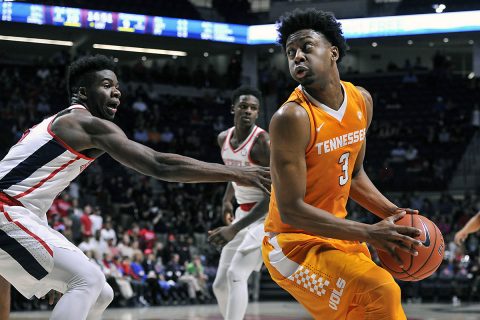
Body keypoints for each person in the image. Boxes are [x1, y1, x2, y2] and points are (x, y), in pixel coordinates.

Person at [0, 55, 269, 320]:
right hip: (7, 211)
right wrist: (239, 173)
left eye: (117, 87)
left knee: (102, 293)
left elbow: (31, 187)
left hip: (21, 213)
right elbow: (159, 164)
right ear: (82, 92)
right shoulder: (83, 123)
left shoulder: (64, 123)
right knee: (87, 280)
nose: (116, 92)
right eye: (106, 85)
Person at [261, 9, 422, 320]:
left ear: (333, 52)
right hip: (292, 246)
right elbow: (292, 210)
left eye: (306, 47)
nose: (297, 57)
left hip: (337, 236)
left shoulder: (361, 101)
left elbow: (355, 175)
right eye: (290, 52)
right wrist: (369, 232)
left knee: (367, 309)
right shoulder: (291, 117)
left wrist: (394, 214)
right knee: (381, 291)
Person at [209, 86, 270, 320]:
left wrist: (233, 229)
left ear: (257, 114)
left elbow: (273, 195)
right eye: (243, 106)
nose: (248, 111)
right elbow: (232, 173)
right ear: (233, 108)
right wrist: (227, 199)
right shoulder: (223, 138)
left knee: (237, 273)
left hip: (267, 217)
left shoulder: (263, 142)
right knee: (220, 285)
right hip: (242, 214)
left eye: (253, 108)